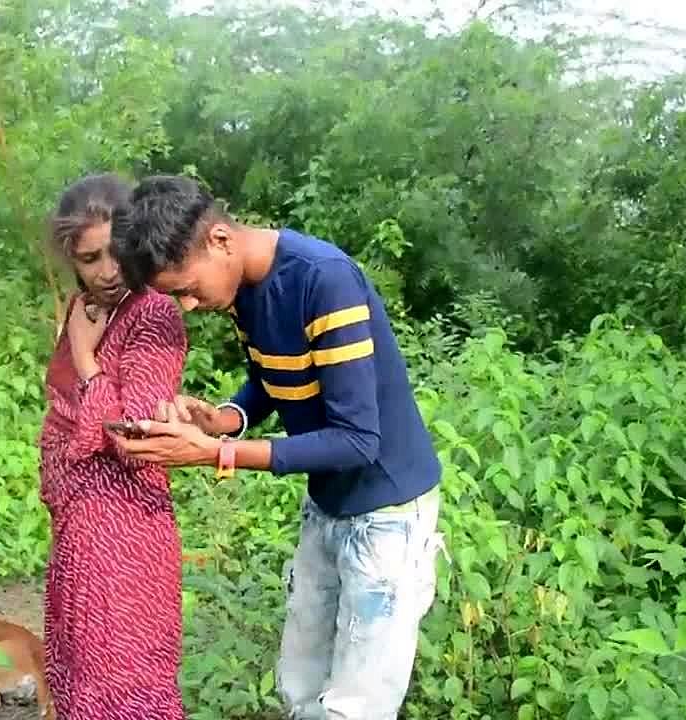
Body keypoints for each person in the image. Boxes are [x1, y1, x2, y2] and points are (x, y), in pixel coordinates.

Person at [105, 174, 447, 720]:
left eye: (187, 288)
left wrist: (214, 454)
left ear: (220, 239)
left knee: (355, 707)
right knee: (299, 684)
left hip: (387, 514)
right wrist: (223, 419)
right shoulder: (243, 289)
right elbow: (272, 376)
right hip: (328, 503)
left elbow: (357, 440)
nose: (188, 305)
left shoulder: (324, 282)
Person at [36, 172, 189, 720]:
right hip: (79, 529)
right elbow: (61, 413)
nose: (108, 271)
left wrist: (85, 359)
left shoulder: (153, 314)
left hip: (125, 531)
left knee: (125, 682)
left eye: (116, 251)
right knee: (80, 673)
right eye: (89, 258)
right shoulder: (87, 308)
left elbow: (137, 438)